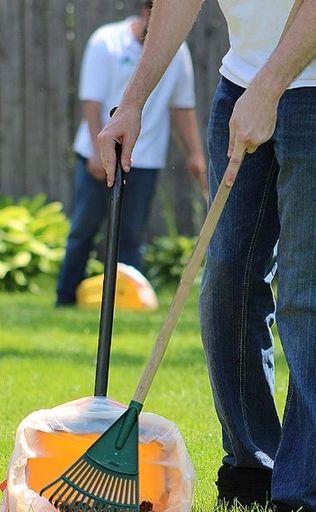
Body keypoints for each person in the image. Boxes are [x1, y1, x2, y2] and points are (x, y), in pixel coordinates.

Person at [98, 0, 316, 512]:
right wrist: (132, 101)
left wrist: (270, 87)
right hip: (244, 81)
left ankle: (307, 498)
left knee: (313, 295)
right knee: (226, 286)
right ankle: (251, 472)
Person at [55, 0, 207, 307]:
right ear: (145, 11)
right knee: (84, 229)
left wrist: (195, 154)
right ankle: (65, 298)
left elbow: (182, 107)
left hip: (144, 158)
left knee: (132, 234)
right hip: (101, 153)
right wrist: (97, 153)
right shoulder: (106, 41)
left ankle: (128, 302)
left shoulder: (177, 52)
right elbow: (92, 102)